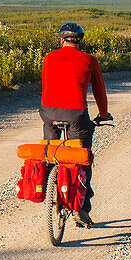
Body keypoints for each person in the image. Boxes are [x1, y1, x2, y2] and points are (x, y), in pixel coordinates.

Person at [40, 22, 112, 227]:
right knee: (82, 158)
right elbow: (99, 91)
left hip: (48, 112)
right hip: (76, 115)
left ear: (61, 40)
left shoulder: (49, 57)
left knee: (50, 152)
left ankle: (48, 184)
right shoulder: (90, 60)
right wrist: (103, 114)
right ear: (80, 41)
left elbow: (47, 85)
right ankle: (81, 208)